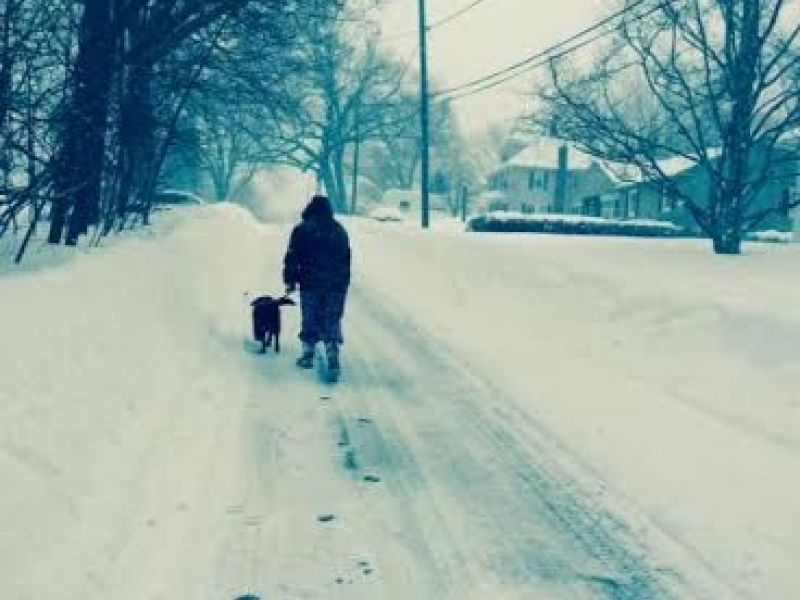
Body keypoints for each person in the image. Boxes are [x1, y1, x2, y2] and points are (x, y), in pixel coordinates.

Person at [283, 195, 351, 377]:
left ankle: (308, 354)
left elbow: (292, 257)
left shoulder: (301, 230)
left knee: (310, 316)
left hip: (310, 282)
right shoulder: (339, 231)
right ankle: (332, 353)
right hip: (335, 284)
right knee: (332, 317)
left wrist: (289, 279)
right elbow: (346, 259)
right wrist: (343, 285)